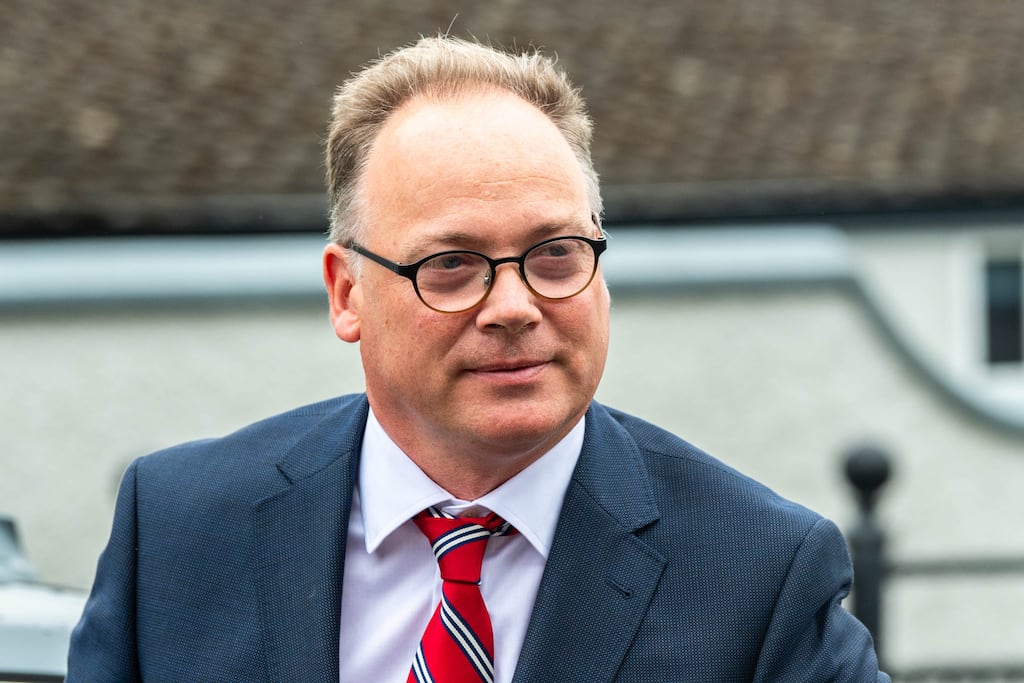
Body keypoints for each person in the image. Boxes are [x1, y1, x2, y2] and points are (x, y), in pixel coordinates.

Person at [67, 35, 888, 682]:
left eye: (556, 253)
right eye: (450, 265)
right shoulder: (177, 530)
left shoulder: (757, 574)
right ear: (347, 293)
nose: (514, 306)